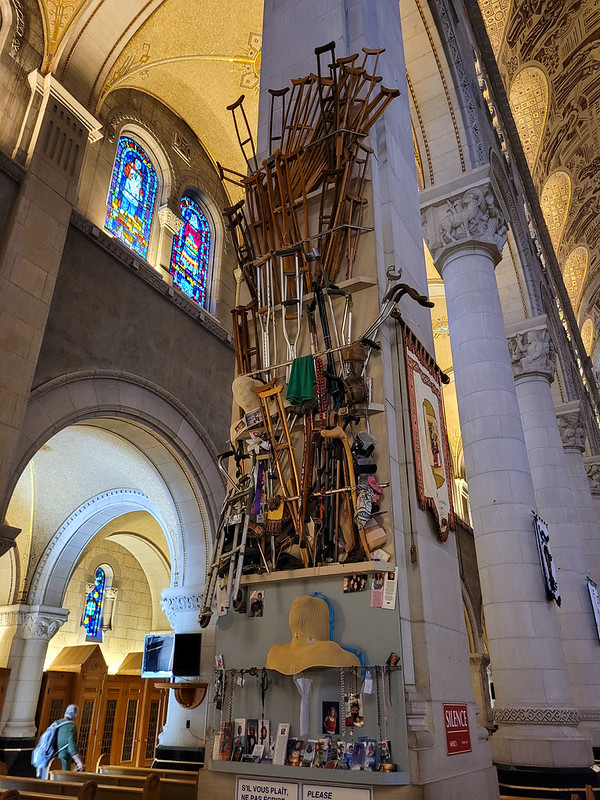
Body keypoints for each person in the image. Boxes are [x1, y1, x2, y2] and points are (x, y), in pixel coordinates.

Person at [55, 705, 84, 772]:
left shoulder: (57, 723)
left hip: (52, 759)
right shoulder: (71, 727)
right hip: (63, 761)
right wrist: (79, 762)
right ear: (75, 715)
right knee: (63, 777)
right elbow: (72, 747)